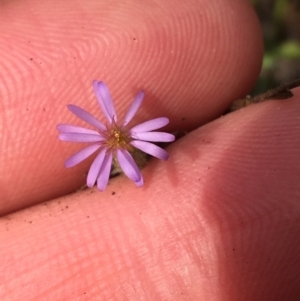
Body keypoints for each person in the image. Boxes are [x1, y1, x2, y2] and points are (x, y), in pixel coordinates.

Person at [0, 0, 299, 300]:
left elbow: (155, 151)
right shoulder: (114, 147)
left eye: (118, 135)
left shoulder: (128, 137)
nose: (116, 135)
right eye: (115, 135)